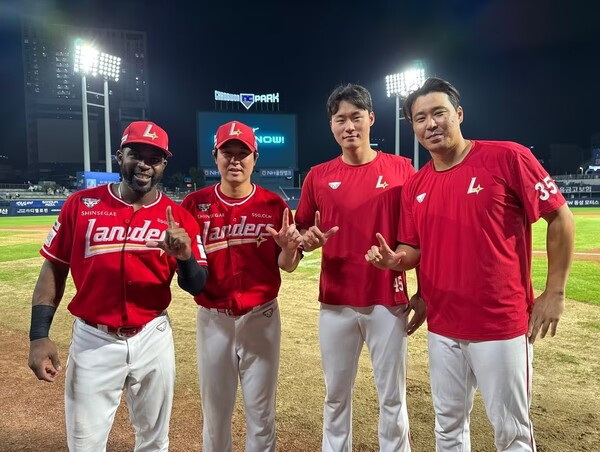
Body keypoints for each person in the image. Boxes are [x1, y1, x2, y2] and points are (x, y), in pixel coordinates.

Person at [365, 77, 574, 451]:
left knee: (511, 432)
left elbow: (559, 216)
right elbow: (413, 248)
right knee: (447, 428)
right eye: (420, 118)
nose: (431, 124)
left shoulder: (507, 157)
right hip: (443, 326)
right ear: (413, 127)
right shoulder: (416, 185)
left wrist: (555, 292)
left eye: (439, 113)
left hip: (500, 325)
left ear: (458, 114)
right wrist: (395, 260)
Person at [27, 120, 209, 451]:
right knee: (84, 444)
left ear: (163, 165)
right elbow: (54, 266)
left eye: (154, 159)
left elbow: (197, 286)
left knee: (154, 441)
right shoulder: (80, 205)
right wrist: (39, 334)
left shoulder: (179, 217)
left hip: (153, 336)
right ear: (119, 156)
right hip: (93, 340)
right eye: (135, 154)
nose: (144, 164)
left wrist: (185, 258)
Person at [295, 84, 422, 452]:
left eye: (355, 117)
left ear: (371, 118)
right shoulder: (318, 176)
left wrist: (408, 274)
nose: (348, 126)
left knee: (392, 396)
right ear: (331, 126)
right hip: (335, 302)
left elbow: (417, 239)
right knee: (336, 396)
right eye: (340, 119)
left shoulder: (402, 169)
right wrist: (305, 239)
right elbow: (300, 231)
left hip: (387, 300)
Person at [181, 120, 302, 452]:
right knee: (215, 415)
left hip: (261, 317)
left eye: (242, 153)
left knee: (261, 414)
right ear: (215, 156)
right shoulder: (193, 204)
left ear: (255, 158)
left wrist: (289, 250)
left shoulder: (274, 206)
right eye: (227, 153)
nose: (235, 160)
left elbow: (288, 265)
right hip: (213, 319)